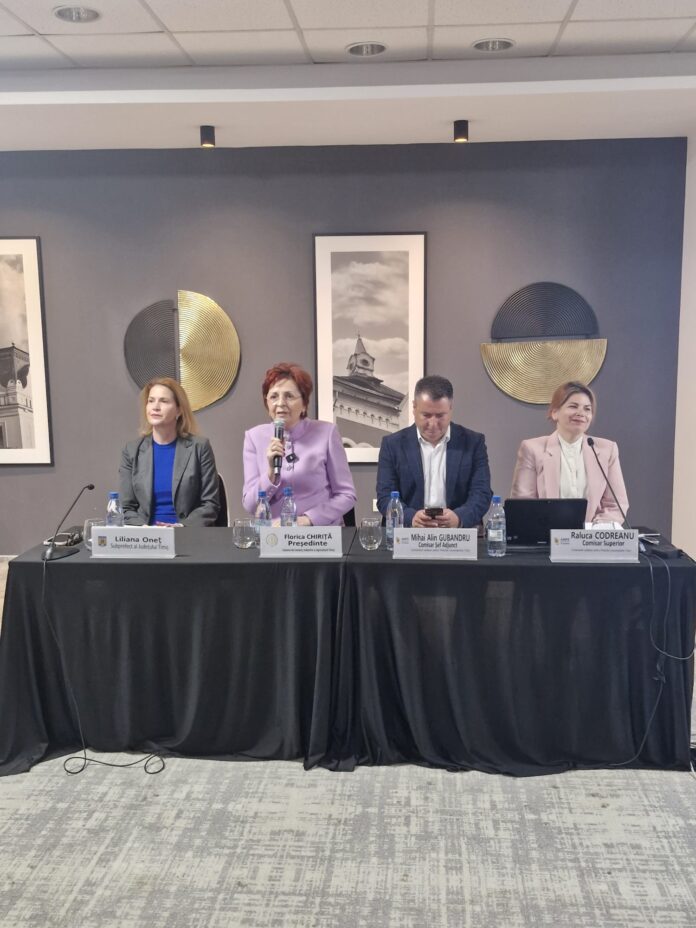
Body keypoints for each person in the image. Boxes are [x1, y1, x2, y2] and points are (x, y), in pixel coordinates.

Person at [242, 362, 356, 525]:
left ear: (304, 404)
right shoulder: (254, 437)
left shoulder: (327, 433)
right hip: (274, 534)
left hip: (320, 533)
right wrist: (270, 474)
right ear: (266, 403)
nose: (280, 403)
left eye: (289, 396)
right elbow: (250, 505)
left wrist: (308, 519)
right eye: (273, 397)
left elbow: (346, 495)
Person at [376, 375, 492, 528]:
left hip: (457, 535)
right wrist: (410, 517)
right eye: (426, 415)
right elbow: (385, 496)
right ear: (414, 408)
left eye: (440, 416)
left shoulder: (473, 443)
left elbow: (482, 493)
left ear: (450, 409)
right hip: (408, 534)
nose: (433, 424)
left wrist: (458, 518)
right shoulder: (392, 445)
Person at [510, 380, 628, 524]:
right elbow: (523, 505)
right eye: (573, 406)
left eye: (587, 409)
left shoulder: (607, 450)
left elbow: (616, 505)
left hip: (591, 536)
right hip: (546, 535)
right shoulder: (532, 448)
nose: (581, 413)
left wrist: (593, 531)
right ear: (555, 413)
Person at [119, 376, 220, 526]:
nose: (155, 407)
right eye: (151, 401)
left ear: (179, 410)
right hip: (145, 535)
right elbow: (126, 508)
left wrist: (180, 527)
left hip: (185, 533)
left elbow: (210, 504)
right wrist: (146, 530)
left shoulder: (200, 447)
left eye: (164, 401)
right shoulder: (132, 451)